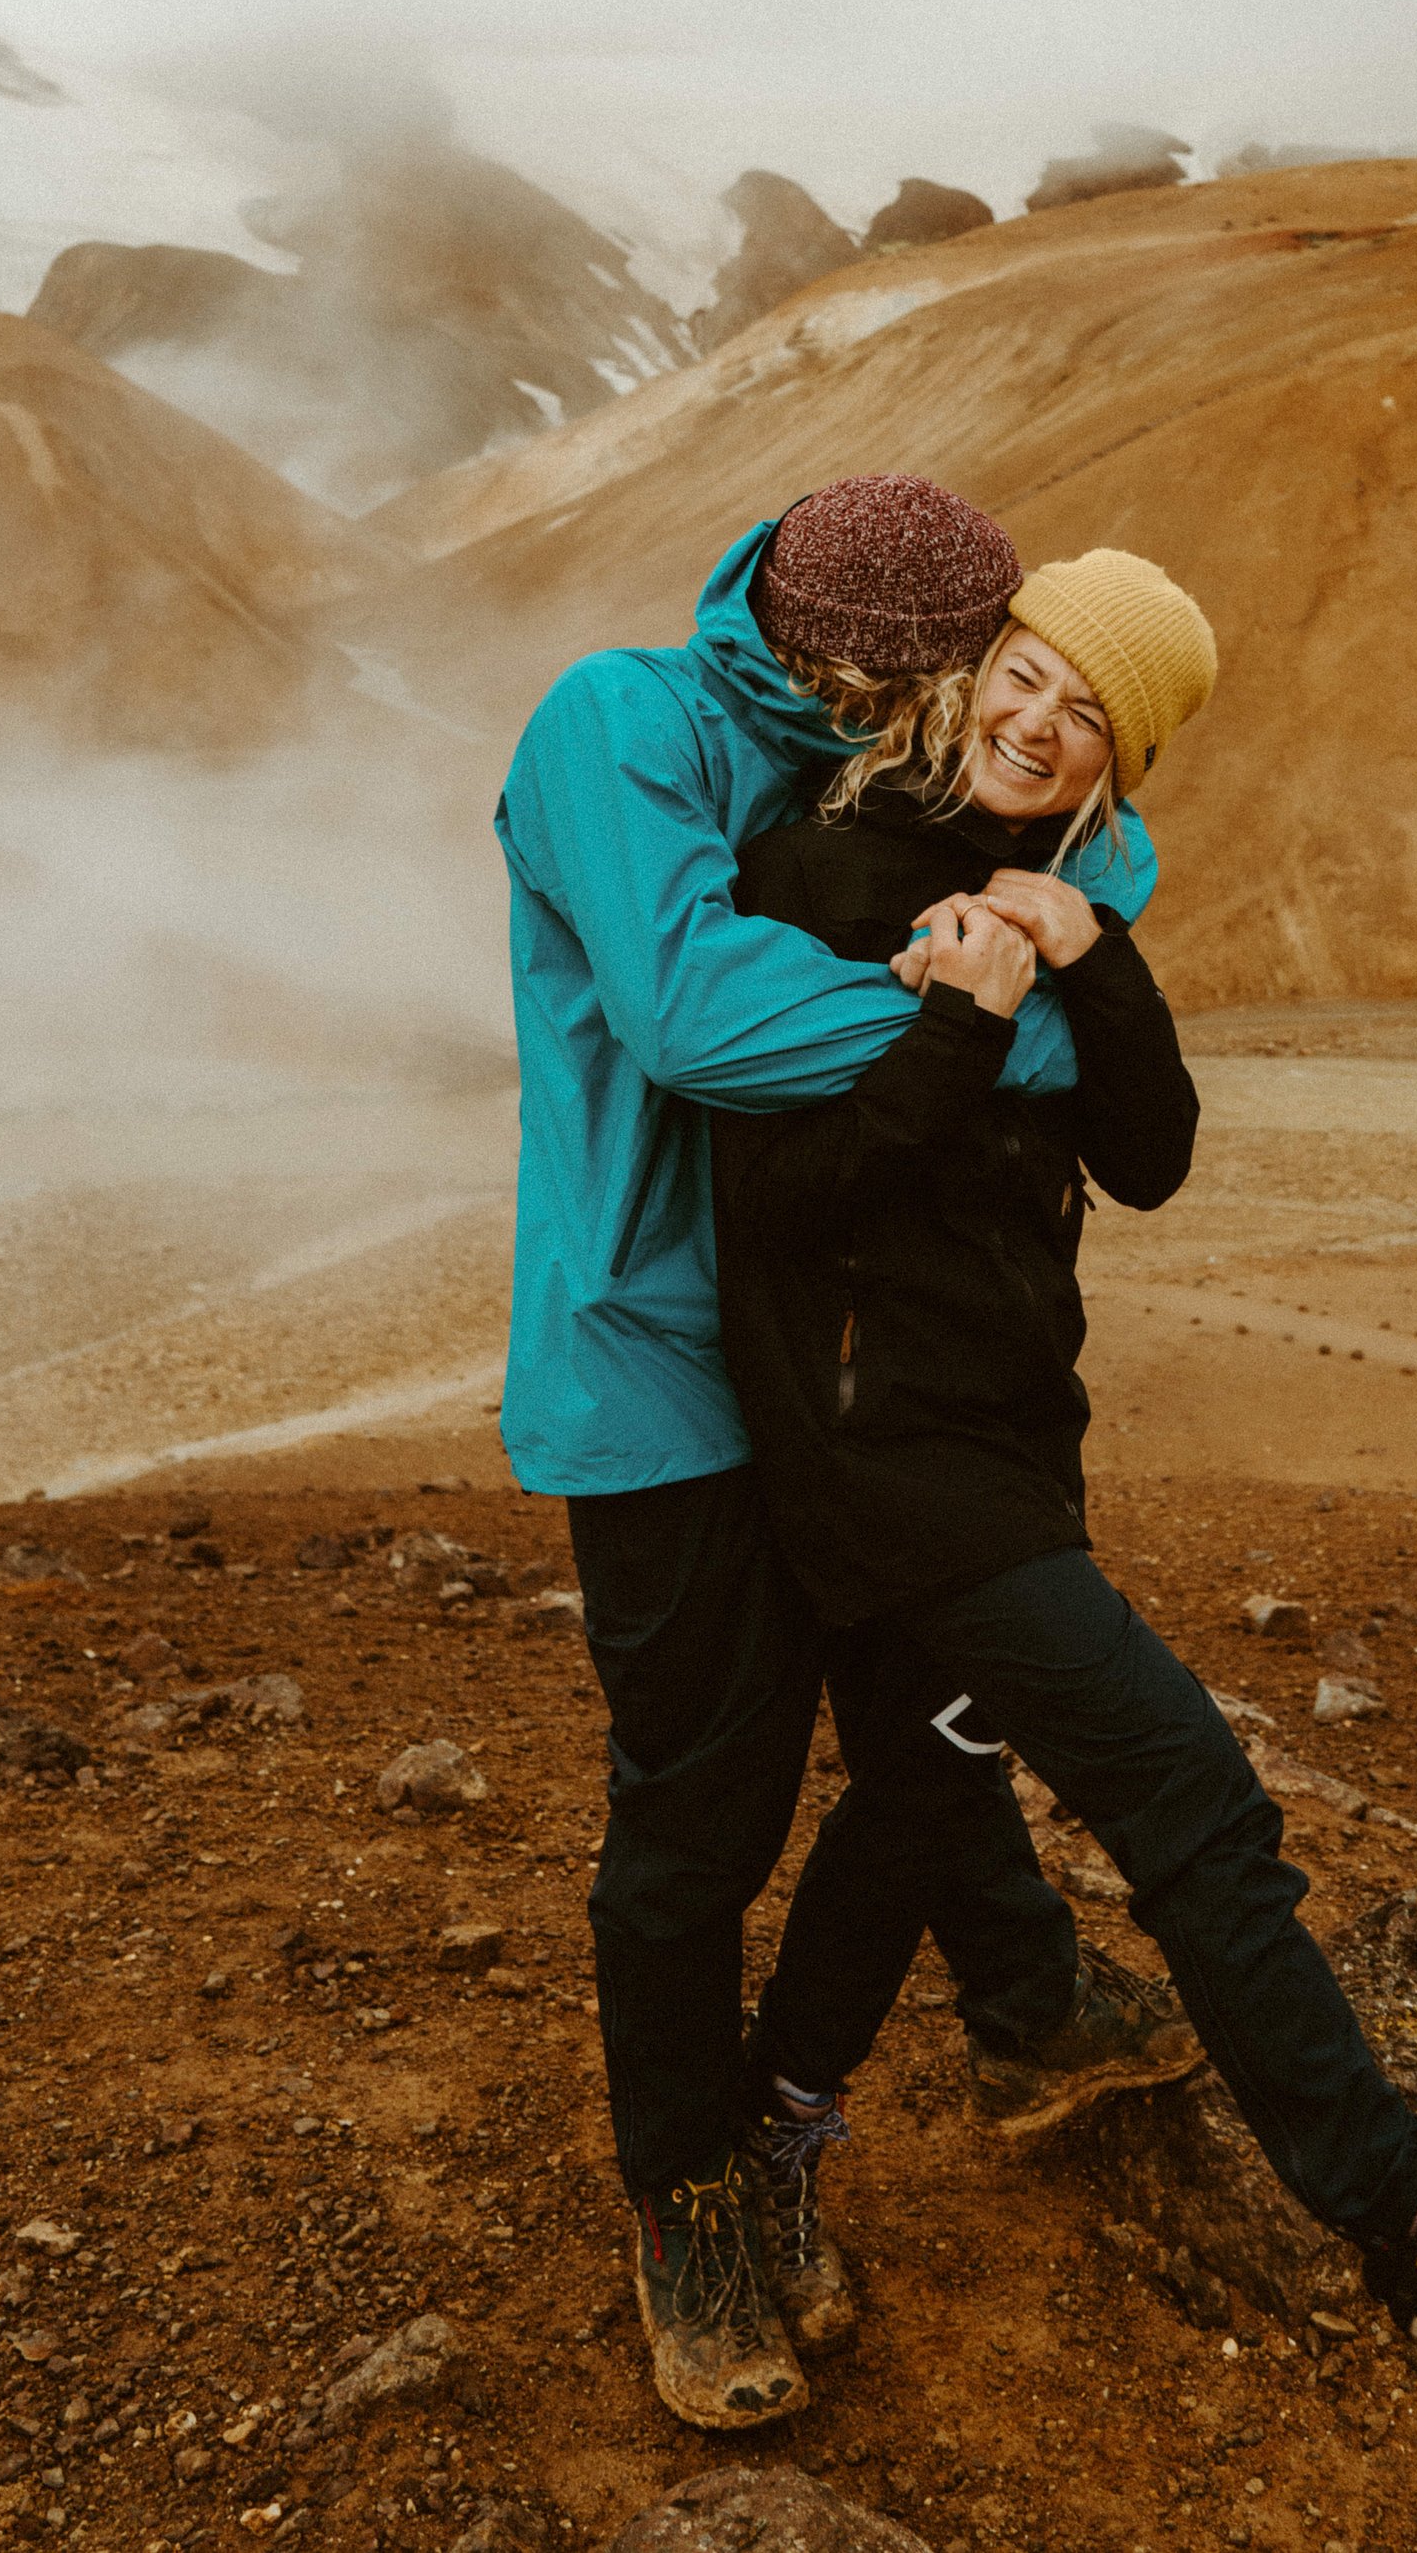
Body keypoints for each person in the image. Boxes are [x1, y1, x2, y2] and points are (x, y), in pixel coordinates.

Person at [708, 548, 1417, 2450]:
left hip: (1001, 1448)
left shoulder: (1063, 894)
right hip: (880, 1457)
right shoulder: (830, 871)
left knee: (926, 1793)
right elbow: (775, 1207)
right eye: (1023, 673)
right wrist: (952, 1018)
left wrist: (1090, 951)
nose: (1032, 718)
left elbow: (1152, 1153)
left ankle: (766, 2134)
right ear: (976, 668)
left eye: (1085, 709)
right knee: (1190, 1800)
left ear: (1125, 760)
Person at [494, 479, 1203, 2436]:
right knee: (699, 1827)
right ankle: (693, 2200)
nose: (943, 716)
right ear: (828, 652)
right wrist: (1032, 1027)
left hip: (848, 1379)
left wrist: (1066, 943)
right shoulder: (618, 728)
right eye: (910, 679)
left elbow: (1089, 853)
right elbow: (696, 1016)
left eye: (966, 682)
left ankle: (1013, 2012)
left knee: (930, 1735)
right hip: (660, 1372)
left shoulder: (882, 771)